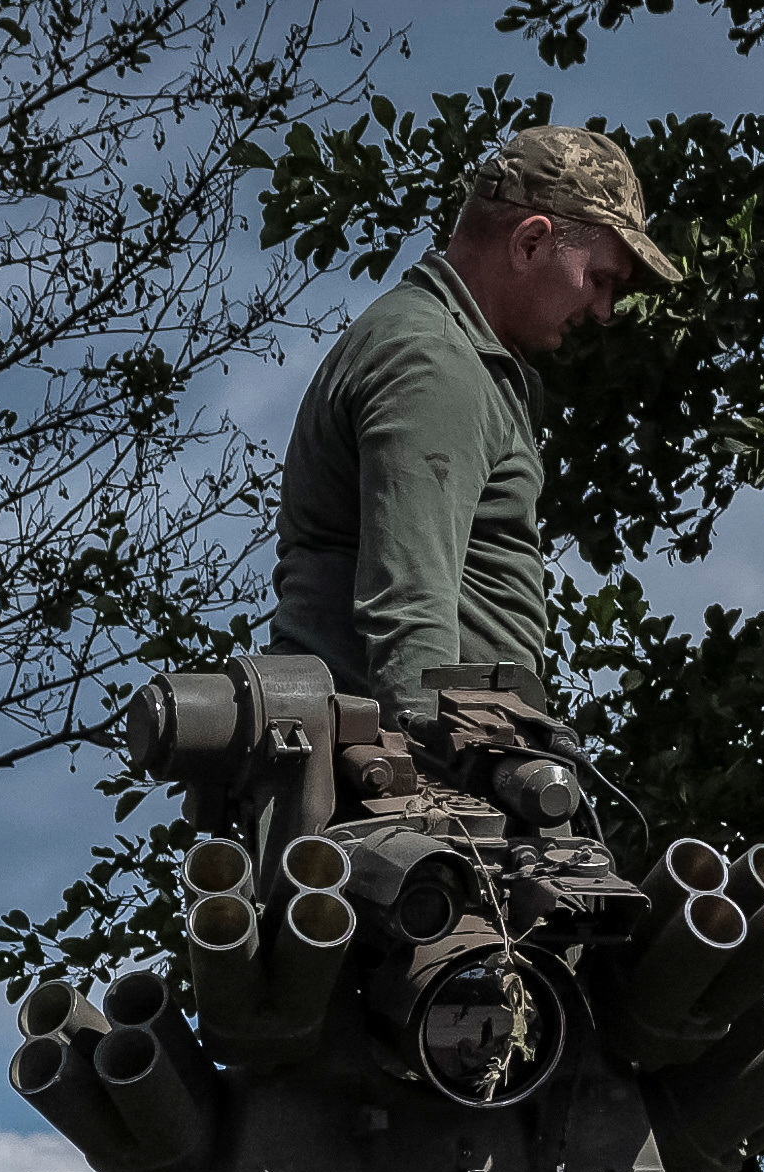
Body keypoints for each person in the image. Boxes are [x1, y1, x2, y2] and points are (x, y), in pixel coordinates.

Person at [269, 126, 680, 728]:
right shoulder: (434, 363)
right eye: (601, 279)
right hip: (415, 777)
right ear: (532, 243)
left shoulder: (454, 350)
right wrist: (438, 782)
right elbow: (410, 605)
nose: (604, 311)